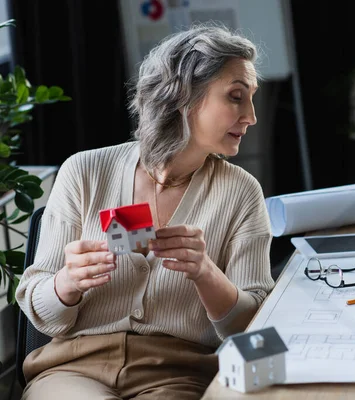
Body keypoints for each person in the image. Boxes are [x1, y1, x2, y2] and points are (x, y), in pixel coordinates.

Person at [15, 22, 275, 400]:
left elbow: (254, 328)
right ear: (184, 97)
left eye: (250, 98)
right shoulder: (84, 172)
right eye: (236, 97)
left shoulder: (240, 192)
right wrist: (67, 282)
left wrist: (205, 273)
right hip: (71, 370)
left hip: (177, 375)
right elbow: (40, 310)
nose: (250, 115)